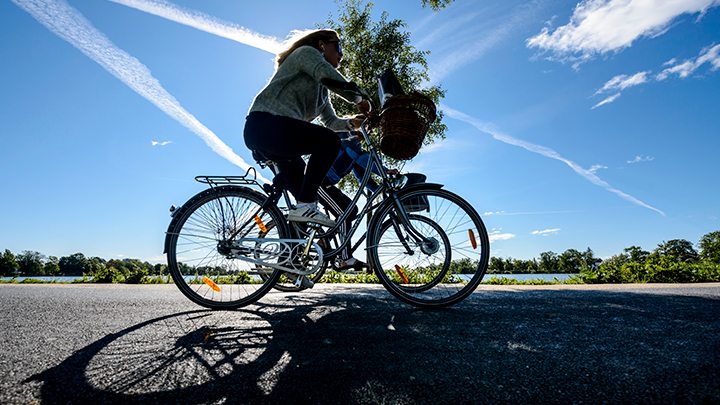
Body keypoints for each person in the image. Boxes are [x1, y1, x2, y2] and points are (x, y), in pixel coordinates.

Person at [244, 29, 371, 228]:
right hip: (265, 124)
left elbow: (330, 121)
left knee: (306, 201)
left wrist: (352, 123)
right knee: (329, 141)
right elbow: (326, 73)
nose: (341, 54)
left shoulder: (321, 89)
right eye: (338, 47)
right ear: (322, 45)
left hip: (280, 141)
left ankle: (293, 252)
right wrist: (359, 99)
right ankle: (305, 206)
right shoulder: (306, 53)